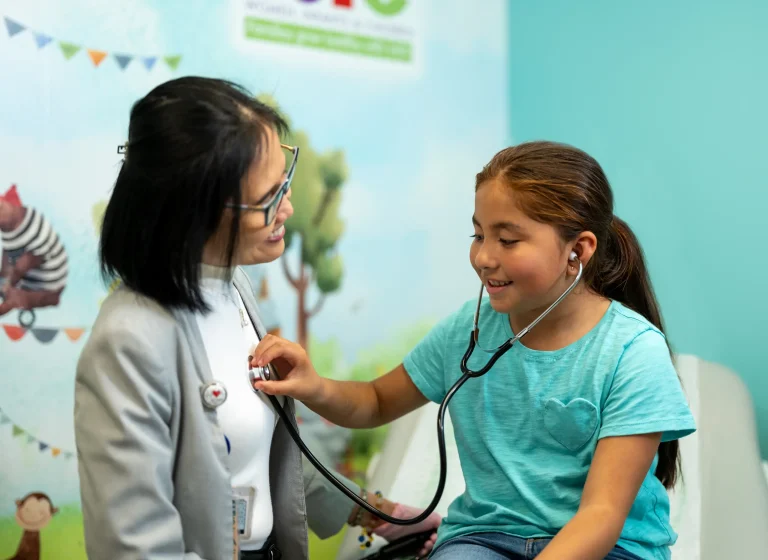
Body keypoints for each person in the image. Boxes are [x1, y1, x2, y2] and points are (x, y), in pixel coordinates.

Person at [250, 141, 697, 560]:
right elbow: (377, 401)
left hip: (611, 546)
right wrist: (315, 386)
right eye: (478, 235)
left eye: (508, 239)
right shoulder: (470, 327)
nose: (484, 256)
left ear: (576, 251)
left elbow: (601, 516)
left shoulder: (632, 353)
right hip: (485, 538)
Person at [74, 76, 439, 560]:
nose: (287, 207)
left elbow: (259, 453)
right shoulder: (129, 342)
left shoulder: (233, 287)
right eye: (270, 198)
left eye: (285, 182)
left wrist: (373, 511)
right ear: (195, 212)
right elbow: (133, 544)